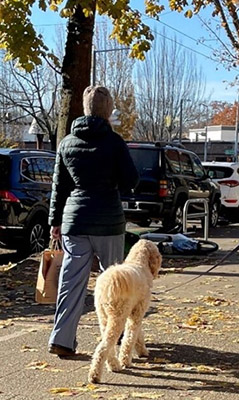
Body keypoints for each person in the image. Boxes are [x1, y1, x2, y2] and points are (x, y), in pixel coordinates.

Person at [48, 86, 139, 357]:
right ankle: (117, 338)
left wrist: (55, 220)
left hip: (74, 222)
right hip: (108, 221)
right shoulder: (114, 142)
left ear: (85, 109)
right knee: (115, 282)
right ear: (108, 109)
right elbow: (130, 180)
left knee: (71, 282)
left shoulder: (67, 142)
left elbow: (59, 186)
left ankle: (61, 339)